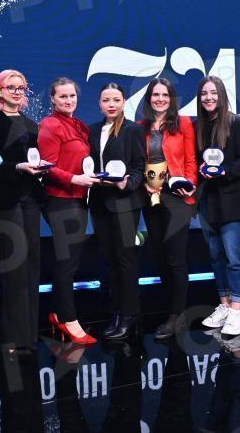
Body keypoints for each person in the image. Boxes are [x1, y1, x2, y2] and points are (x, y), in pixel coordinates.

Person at [0, 69, 46, 357]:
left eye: (21, 88)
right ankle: (11, 337)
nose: (17, 92)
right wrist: (17, 167)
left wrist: (41, 169)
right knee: (13, 266)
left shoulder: (31, 124)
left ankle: (29, 337)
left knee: (31, 266)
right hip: (5, 200)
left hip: (30, 199)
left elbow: (33, 159)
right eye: (11, 87)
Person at [38, 77, 98, 344]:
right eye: (63, 96)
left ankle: (57, 313)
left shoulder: (78, 125)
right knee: (67, 263)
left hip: (78, 199)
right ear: (52, 98)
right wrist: (75, 179)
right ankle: (67, 319)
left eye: (72, 96)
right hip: (61, 201)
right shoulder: (50, 124)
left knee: (70, 261)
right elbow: (46, 166)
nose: (68, 100)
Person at [195, 76, 240, 337]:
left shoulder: (238, 123)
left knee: (235, 258)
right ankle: (224, 305)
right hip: (207, 201)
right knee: (216, 256)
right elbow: (195, 161)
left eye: (213, 93)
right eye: (204, 93)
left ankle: (237, 311)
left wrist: (224, 171)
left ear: (221, 95)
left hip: (233, 201)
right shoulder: (197, 127)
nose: (209, 97)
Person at [88, 83, 146, 340]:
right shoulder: (91, 130)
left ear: (123, 102)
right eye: (106, 100)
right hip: (99, 203)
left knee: (125, 259)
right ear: (99, 103)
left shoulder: (133, 129)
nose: (111, 104)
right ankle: (116, 312)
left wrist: (126, 183)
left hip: (124, 203)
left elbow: (139, 167)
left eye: (116, 100)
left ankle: (130, 315)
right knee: (109, 259)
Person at [141, 78, 197, 340]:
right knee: (161, 257)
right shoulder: (140, 127)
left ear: (171, 99)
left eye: (165, 95)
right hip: (150, 198)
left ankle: (177, 316)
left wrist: (190, 184)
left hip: (176, 197)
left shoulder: (183, 123)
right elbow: (138, 161)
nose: (160, 99)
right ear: (149, 98)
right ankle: (170, 311)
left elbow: (191, 159)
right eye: (155, 95)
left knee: (175, 259)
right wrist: (144, 185)